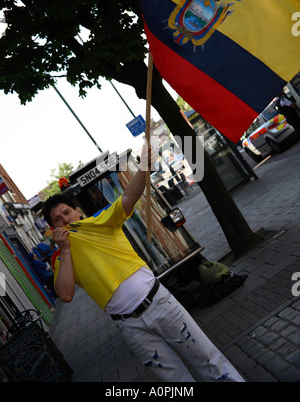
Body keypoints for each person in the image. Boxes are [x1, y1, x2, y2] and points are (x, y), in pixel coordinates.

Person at [43, 145, 244, 382]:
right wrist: (65, 252)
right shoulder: (61, 258)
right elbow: (65, 294)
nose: (65, 220)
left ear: (78, 213)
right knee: (174, 381)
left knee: (208, 360)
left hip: (158, 303)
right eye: (58, 219)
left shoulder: (101, 221)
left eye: (67, 212)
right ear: (53, 228)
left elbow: (128, 196)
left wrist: (144, 168)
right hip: (129, 326)